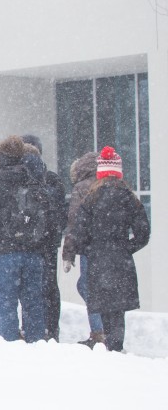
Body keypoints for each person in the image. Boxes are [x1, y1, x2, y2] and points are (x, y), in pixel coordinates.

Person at [65, 146, 149, 352]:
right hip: (121, 260)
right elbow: (144, 232)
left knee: (103, 305)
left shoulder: (91, 198)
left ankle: (107, 346)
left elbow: (78, 230)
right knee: (118, 308)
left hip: (98, 260)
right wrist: (127, 247)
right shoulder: (129, 197)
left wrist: (88, 249)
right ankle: (116, 345)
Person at [0, 136, 48, 343]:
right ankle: (37, 344)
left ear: (2, 156)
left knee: (6, 306)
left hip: (5, 252)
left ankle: (10, 345)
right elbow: (45, 213)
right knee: (33, 304)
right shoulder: (33, 179)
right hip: (32, 251)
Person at [22, 135, 68, 341]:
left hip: (43, 242)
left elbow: (55, 211)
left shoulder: (49, 180)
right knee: (42, 286)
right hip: (43, 241)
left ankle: (48, 328)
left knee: (43, 286)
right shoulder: (52, 179)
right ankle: (46, 328)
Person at [62, 152, 105, 346]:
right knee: (102, 290)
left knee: (88, 287)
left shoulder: (81, 188)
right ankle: (107, 329)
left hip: (90, 248)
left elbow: (74, 222)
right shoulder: (108, 182)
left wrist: (68, 252)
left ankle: (98, 333)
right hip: (111, 248)